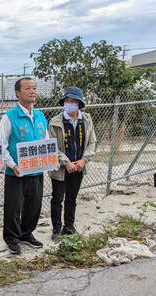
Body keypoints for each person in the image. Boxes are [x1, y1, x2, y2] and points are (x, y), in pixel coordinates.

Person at [0, 77, 49, 255]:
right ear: (18, 93)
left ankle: (26, 233)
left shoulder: (40, 116)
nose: (33, 91)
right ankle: (12, 238)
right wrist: (12, 164)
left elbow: (46, 142)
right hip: (16, 173)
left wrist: (50, 160)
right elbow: (2, 145)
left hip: (36, 170)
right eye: (28, 88)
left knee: (34, 205)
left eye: (34, 88)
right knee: (13, 207)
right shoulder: (9, 117)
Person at [48, 86, 96, 240]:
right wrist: (66, 162)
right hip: (60, 168)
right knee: (57, 198)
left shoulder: (86, 120)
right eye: (67, 100)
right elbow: (52, 146)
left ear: (79, 103)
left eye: (73, 101)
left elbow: (92, 143)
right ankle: (56, 228)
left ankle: (69, 225)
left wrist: (83, 160)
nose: (70, 103)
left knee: (71, 198)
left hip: (78, 167)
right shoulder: (55, 122)